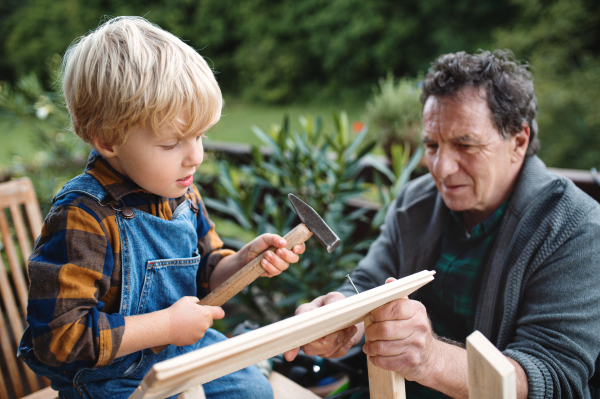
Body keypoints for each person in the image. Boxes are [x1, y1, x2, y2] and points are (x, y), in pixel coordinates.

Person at [17, 16, 305, 399]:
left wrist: (244, 262)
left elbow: (206, 274)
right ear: (108, 140)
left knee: (254, 390)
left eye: (200, 135)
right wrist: (166, 326)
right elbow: (60, 339)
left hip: (182, 351)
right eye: (172, 144)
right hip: (113, 377)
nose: (195, 157)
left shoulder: (182, 193)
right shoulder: (84, 217)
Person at [285, 50, 600, 398]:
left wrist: (431, 360)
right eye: (432, 145)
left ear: (519, 142)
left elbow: (555, 380)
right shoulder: (415, 202)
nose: (442, 168)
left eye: (465, 144)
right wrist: (343, 318)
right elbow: (366, 284)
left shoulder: (576, 228)